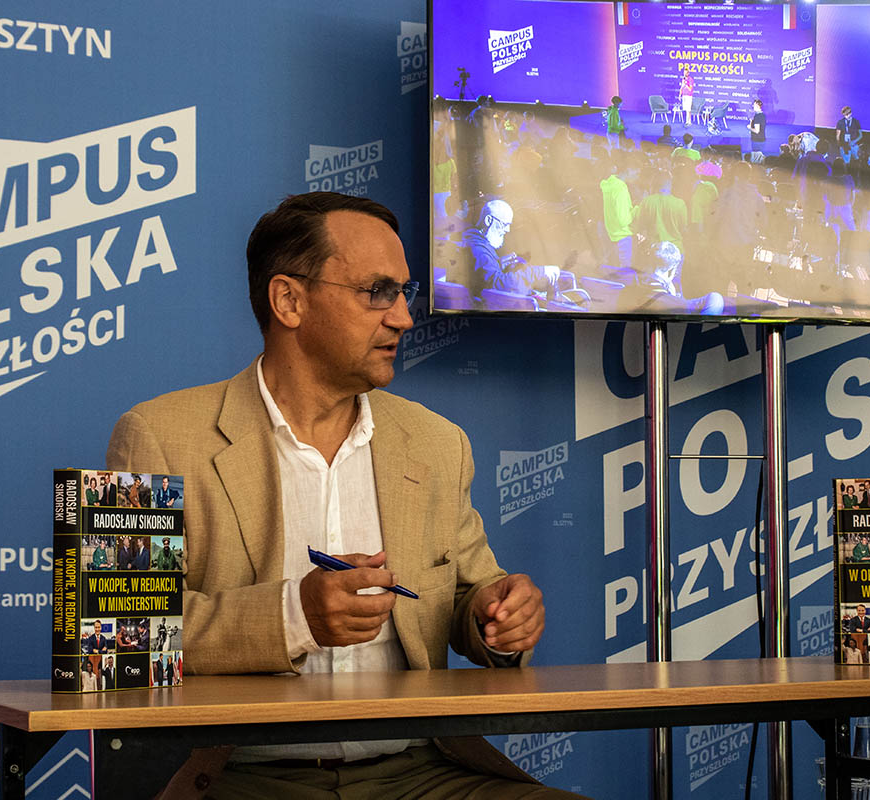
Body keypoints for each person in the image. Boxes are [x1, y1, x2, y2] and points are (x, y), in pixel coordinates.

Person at [107, 192, 583, 798]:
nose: (403, 318)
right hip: (239, 778)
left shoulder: (439, 443)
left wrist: (499, 618)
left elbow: (471, 594)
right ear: (289, 301)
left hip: (420, 772)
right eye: (377, 291)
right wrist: (295, 617)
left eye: (404, 292)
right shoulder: (155, 435)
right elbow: (116, 637)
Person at [460, 199, 560, 299]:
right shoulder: (478, 250)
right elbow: (496, 287)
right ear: (488, 220)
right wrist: (539, 272)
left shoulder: (474, 241)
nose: (507, 230)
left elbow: (482, 276)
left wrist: (498, 264)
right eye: (505, 224)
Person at [624, 241, 723, 316]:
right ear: (671, 271)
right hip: (675, 310)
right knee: (716, 298)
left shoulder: (629, 282)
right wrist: (673, 297)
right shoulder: (674, 303)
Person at [747, 99, 766, 163]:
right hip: (761, 139)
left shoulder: (757, 116)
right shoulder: (762, 115)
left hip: (757, 140)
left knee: (756, 160)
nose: (753, 106)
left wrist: (749, 128)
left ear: (758, 106)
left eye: (754, 105)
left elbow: (757, 131)